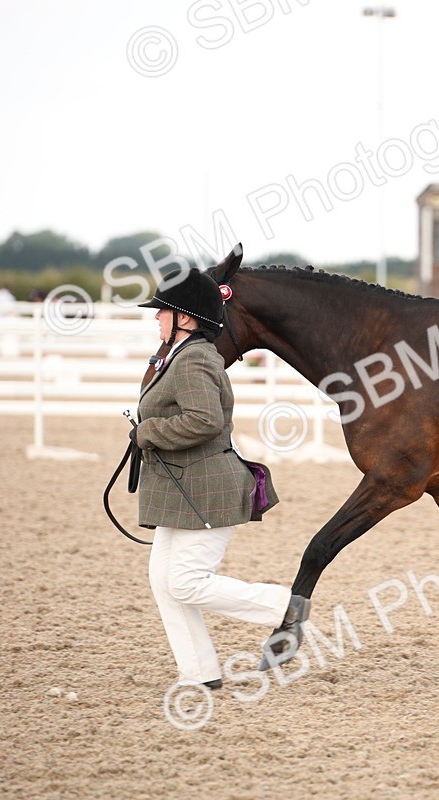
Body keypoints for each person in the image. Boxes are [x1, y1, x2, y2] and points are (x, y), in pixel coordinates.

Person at [132, 268, 309, 688]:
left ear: (185, 318)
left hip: (206, 488)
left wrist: (148, 432)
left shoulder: (193, 359)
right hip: (183, 487)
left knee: (185, 582)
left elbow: (205, 420)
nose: (156, 317)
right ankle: (199, 673)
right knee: (164, 581)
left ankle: (282, 606)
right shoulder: (178, 356)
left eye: (162, 311)